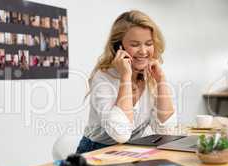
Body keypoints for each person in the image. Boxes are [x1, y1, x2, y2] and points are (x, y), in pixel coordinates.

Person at [75, 10, 177, 154]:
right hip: (96, 151)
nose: (143, 51)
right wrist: (125, 77)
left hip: (130, 150)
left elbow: (167, 131)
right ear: (119, 47)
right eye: (135, 44)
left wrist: (161, 80)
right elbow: (120, 134)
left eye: (149, 43)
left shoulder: (152, 76)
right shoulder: (103, 77)